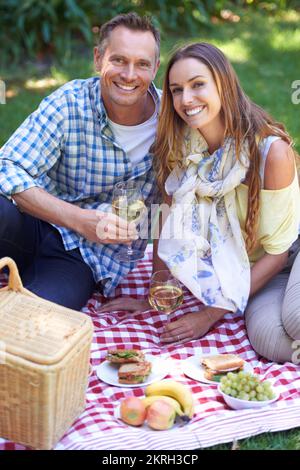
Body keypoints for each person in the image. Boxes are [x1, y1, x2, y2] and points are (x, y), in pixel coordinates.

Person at [104, 42, 300, 363]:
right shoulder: (180, 147)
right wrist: (158, 292)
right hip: (248, 270)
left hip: (287, 253)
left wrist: (208, 315)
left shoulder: (269, 152)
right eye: (176, 89)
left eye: (198, 85)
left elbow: (278, 252)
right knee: (272, 341)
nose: (186, 100)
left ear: (223, 83)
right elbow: (164, 221)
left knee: (296, 320)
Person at [0, 13, 161, 310]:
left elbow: (177, 208)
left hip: (86, 257)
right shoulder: (70, 102)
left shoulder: (171, 125)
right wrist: (78, 219)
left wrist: (158, 291)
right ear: (98, 58)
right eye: (119, 60)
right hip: (34, 223)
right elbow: (7, 166)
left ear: (155, 68)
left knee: (37, 317)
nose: (128, 75)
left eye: (141, 64)